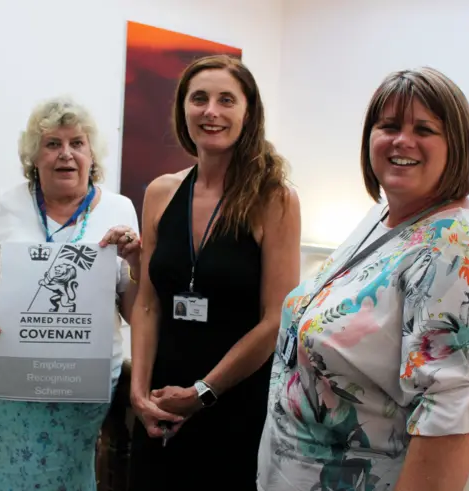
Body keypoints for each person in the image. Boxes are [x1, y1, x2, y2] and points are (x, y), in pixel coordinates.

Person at [257, 67, 469, 491]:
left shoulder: (457, 246)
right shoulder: (382, 217)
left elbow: (450, 418)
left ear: (457, 144)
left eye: (425, 129)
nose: (403, 141)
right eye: (389, 126)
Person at [128, 54, 301, 490]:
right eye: (199, 98)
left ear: (248, 113)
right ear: (183, 109)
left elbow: (275, 319)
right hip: (161, 399)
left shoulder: (275, 198)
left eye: (227, 100)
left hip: (234, 402)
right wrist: (139, 391)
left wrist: (201, 394)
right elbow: (148, 305)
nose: (211, 111)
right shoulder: (160, 192)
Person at [0, 96, 140, 491]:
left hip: (81, 385)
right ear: (34, 157)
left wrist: (137, 264)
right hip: (2, 382)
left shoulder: (120, 209)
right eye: (52, 144)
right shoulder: (5, 205)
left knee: (70, 480)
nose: (65, 154)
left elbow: (136, 310)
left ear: (92, 155)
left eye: (77, 143)